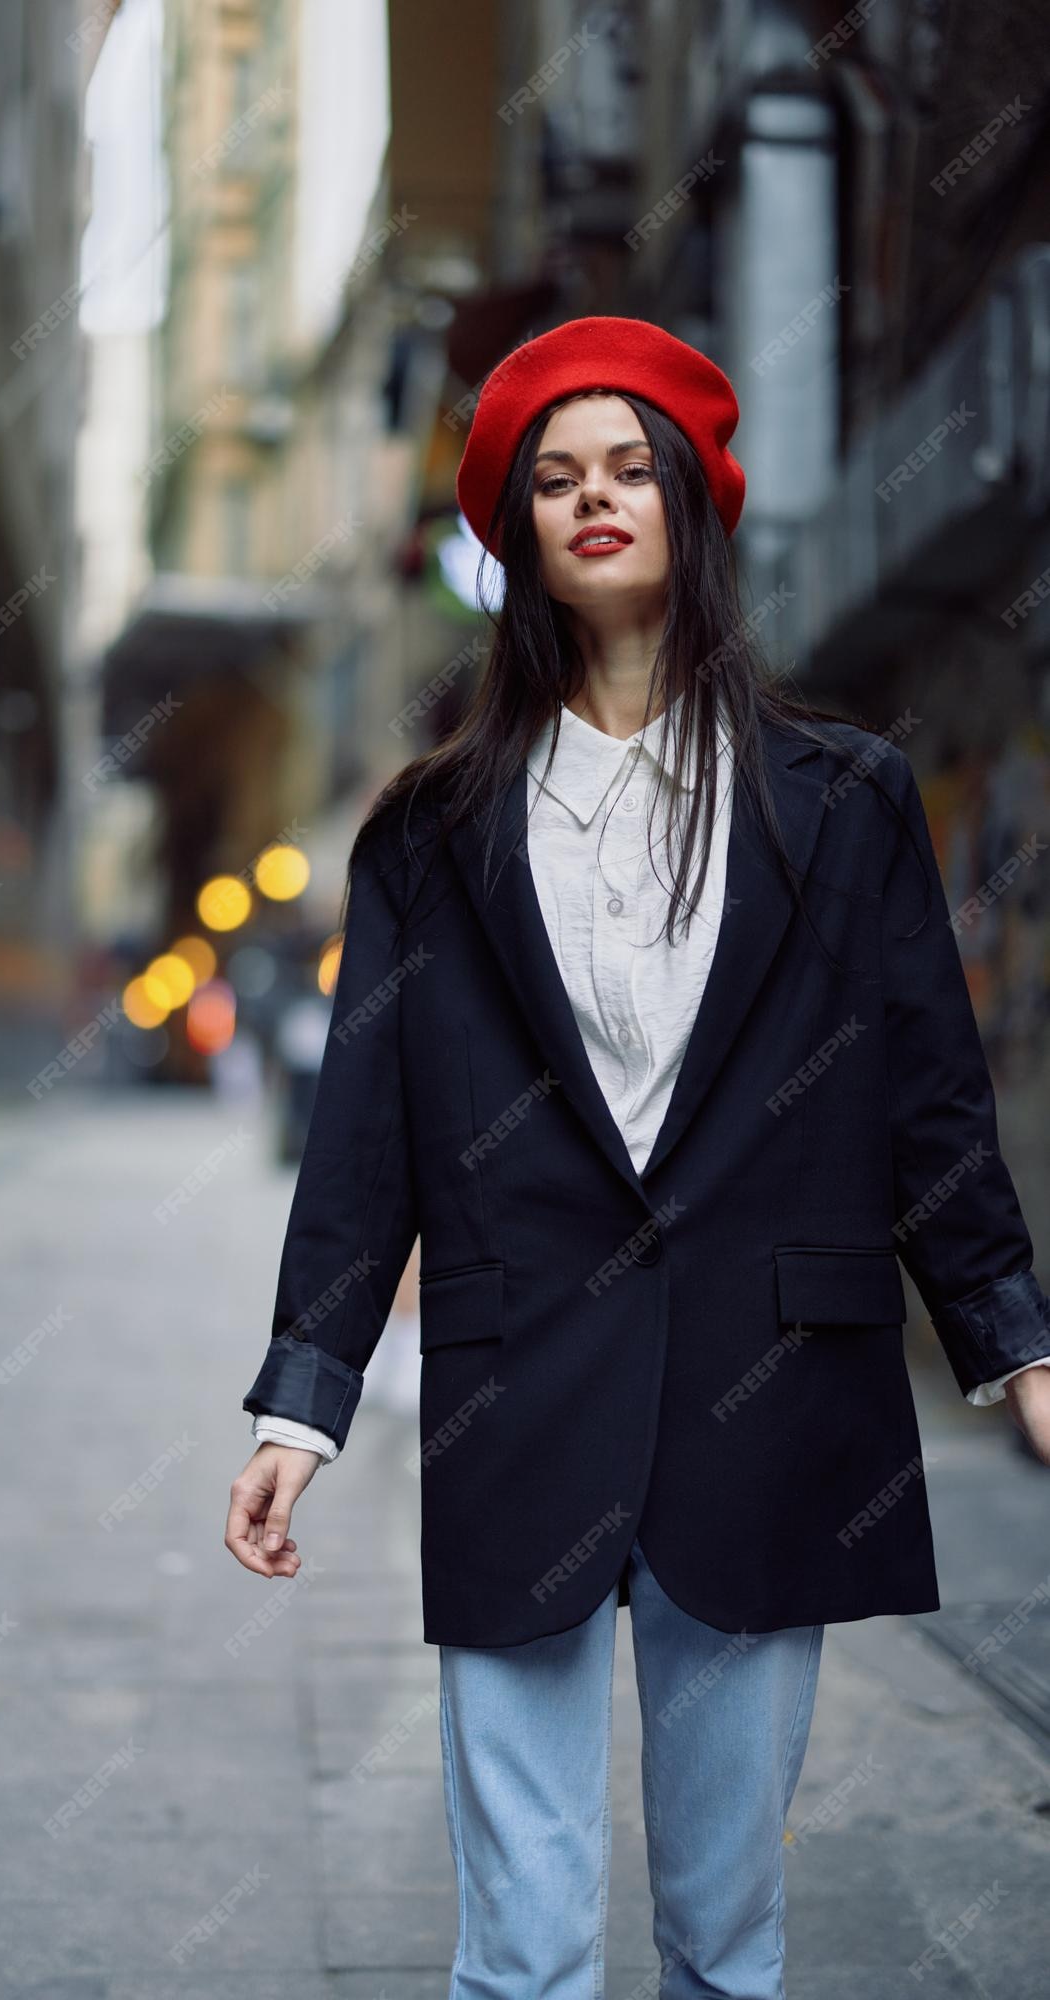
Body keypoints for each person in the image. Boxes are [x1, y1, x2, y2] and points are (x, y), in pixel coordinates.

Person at [224, 316, 1050, 1998]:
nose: (592, 499)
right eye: (552, 478)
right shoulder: (428, 834)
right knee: (518, 1950)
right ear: (515, 531)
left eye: (626, 468)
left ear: (691, 499)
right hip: (514, 1387)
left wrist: (1016, 1340)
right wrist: (299, 1400)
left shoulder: (842, 798)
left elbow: (925, 1095)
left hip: (776, 1388)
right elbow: (363, 1133)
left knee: (725, 1937)